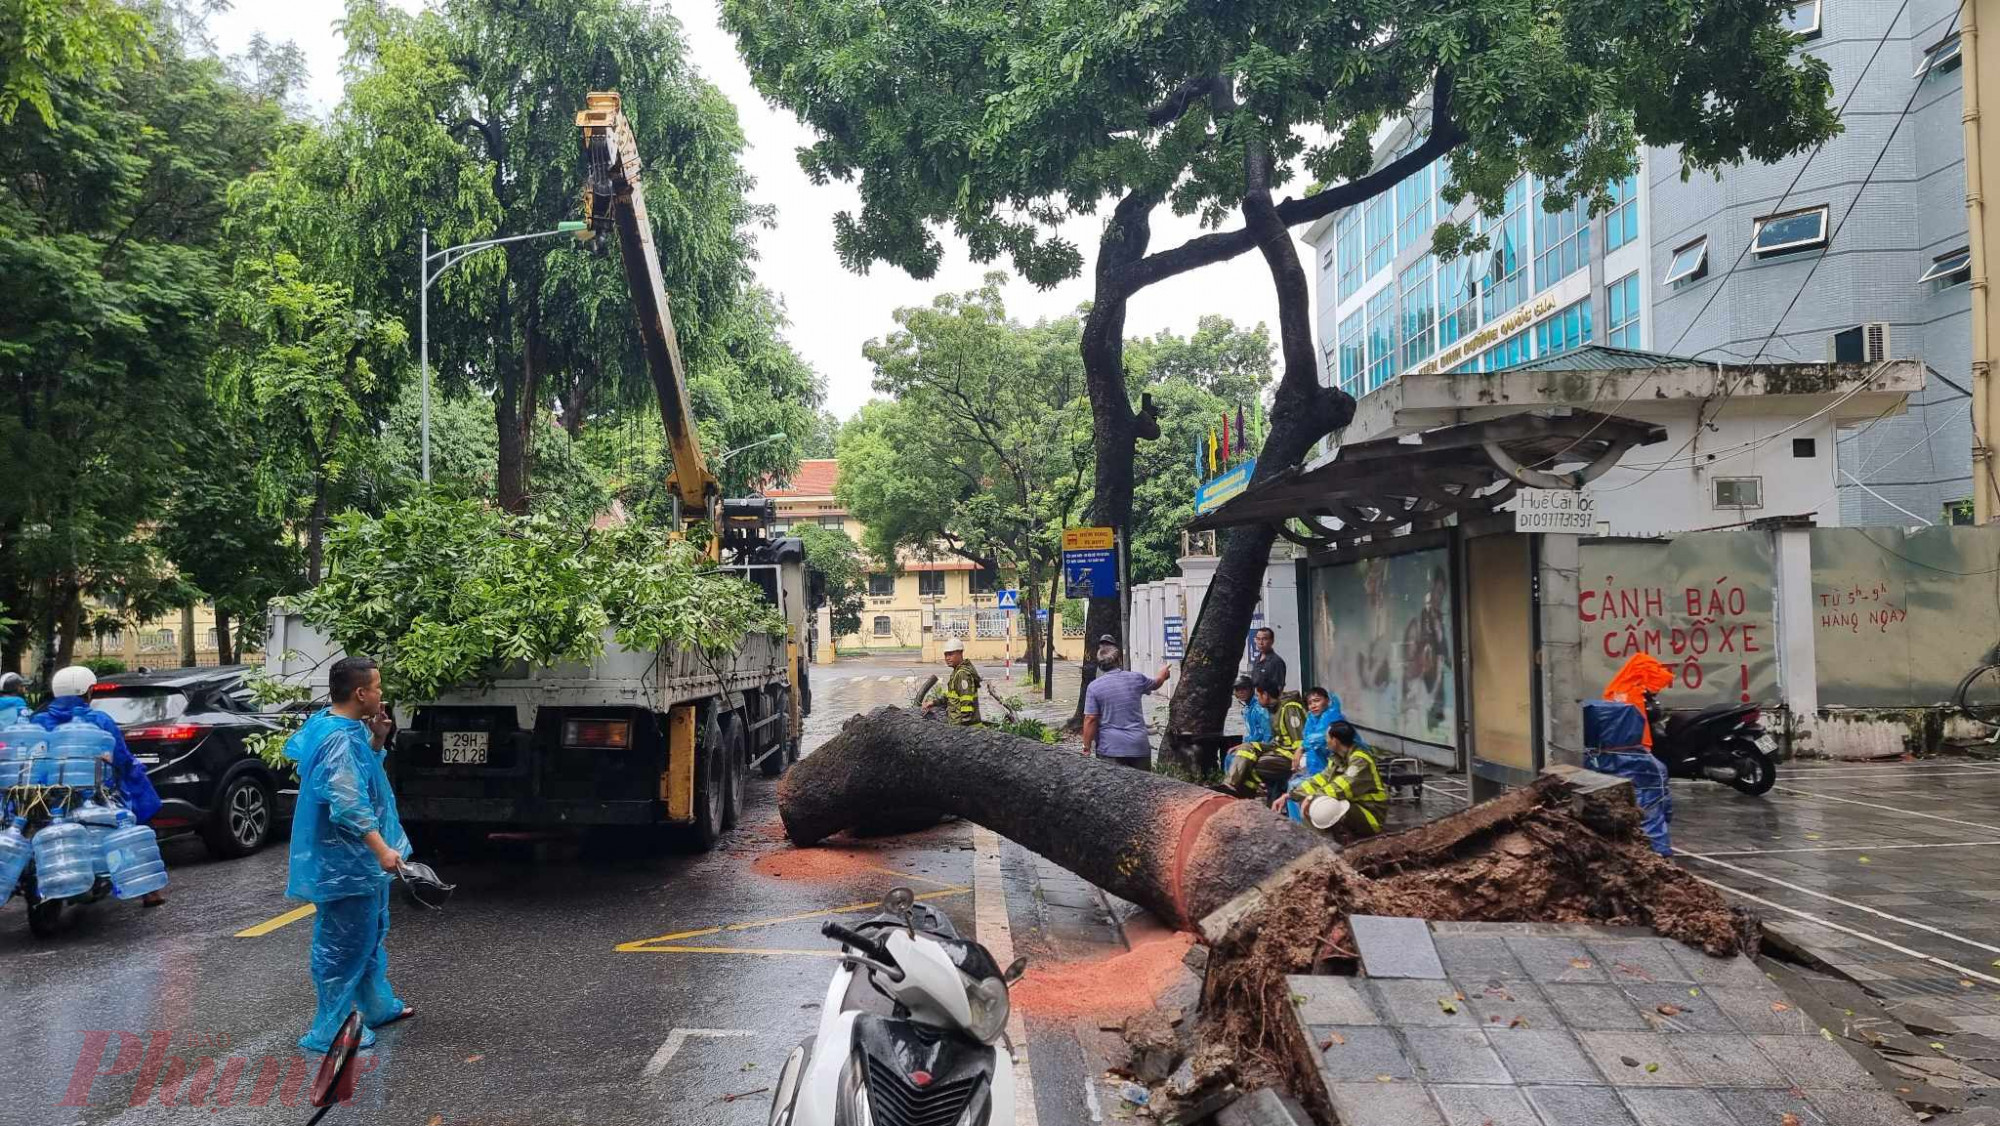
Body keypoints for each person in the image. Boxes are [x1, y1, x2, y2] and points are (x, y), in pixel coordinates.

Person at [286, 655, 413, 1054]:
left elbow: (363, 777)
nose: (381, 694)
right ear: (361, 693)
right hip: (347, 861)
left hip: (355, 862)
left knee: (369, 936)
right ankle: (333, 1029)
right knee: (342, 947)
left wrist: (377, 740)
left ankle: (376, 1006)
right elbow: (347, 803)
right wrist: (381, 850)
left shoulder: (342, 726)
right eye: (377, 687)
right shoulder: (338, 738)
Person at [34, 665, 165, 906]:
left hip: (45, 793)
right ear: (88, 692)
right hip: (95, 790)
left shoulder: (38, 720)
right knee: (132, 819)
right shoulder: (100, 720)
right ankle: (149, 891)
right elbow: (121, 758)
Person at [1282, 721, 1387, 842]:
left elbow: (1341, 788)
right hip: (1356, 807)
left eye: (1327, 738)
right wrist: (1291, 795)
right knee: (1313, 802)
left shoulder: (1360, 760)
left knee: (1323, 805)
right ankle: (1325, 843)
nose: (1326, 741)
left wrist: (1312, 798)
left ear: (1335, 741)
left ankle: (1330, 845)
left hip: (1371, 814)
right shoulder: (1337, 758)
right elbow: (1320, 780)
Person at [1081, 639, 1171, 769]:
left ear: (1100, 665)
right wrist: (1163, 674)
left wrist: (1086, 747)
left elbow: (1090, 718)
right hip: (1138, 747)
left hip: (1110, 748)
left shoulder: (1094, 687)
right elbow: (1156, 683)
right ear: (1119, 661)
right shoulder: (1136, 678)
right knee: (1143, 787)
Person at [1223, 683, 1306, 800]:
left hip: (1292, 757)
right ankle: (1230, 787)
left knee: (1254, 765)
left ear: (1265, 695)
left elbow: (1299, 740)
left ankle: (1243, 795)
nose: (1257, 698)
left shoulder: (1290, 708)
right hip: (1279, 751)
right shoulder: (1274, 709)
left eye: (1258, 695)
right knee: (1246, 749)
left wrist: (1298, 753)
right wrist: (1247, 745)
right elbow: (1277, 741)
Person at [922, 637, 983, 725]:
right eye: (946, 655)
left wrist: (963, 729)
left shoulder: (963, 674)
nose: (947, 658)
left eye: (950, 654)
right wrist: (933, 702)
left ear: (960, 653)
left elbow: (966, 703)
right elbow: (952, 697)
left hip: (967, 729)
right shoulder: (956, 672)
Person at [1246, 627, 1286, 695]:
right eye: (1258, 639)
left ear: (1272, 641)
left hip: (1268, 702)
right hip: (1255, 701)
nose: (1260, 643)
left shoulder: (1276, 662)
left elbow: (1279, 687)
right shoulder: (1257, 659)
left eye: (1264, 639)